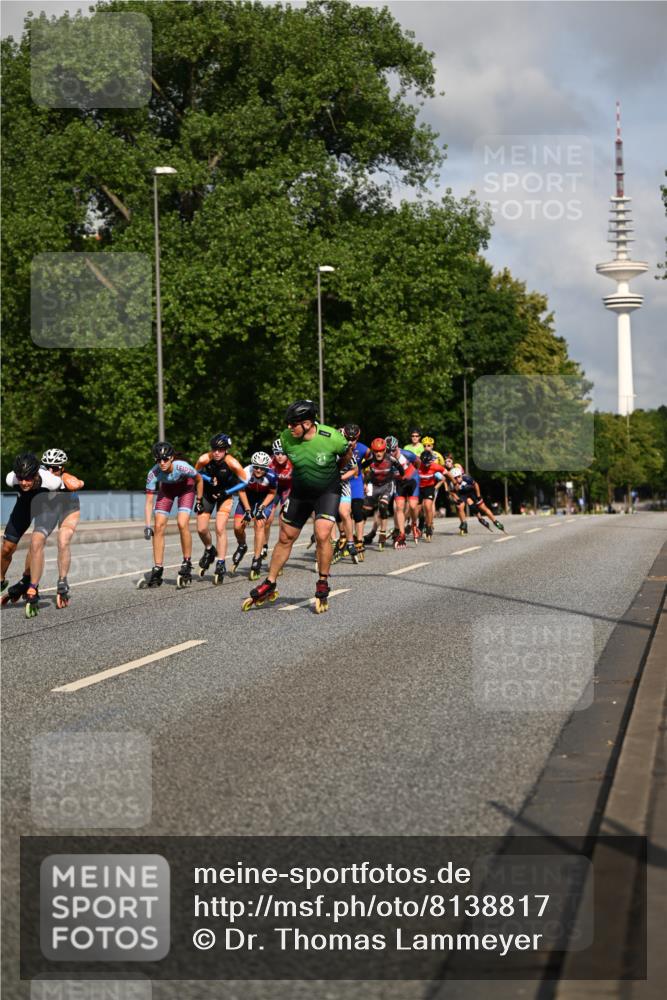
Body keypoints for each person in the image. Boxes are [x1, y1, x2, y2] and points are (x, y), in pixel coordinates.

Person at [242, 400, 353, 614]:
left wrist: (336, 470)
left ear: (308, 423)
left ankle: (322, 581)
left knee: (322, 534)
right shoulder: (286, 438)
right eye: (288, 423)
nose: (289, 428)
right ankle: (271, 582)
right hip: (300, 492)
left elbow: (347, 454)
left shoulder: (332, 438)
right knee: (285, 537)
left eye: (294, 424)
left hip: (327, 491)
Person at [1, 453, 70, 617]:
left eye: (28, 479)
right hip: (24, 507)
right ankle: (1, 580)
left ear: (37, 474)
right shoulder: (11, 478)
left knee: (36, 543)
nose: (24, 483)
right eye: (21, 478)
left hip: (47, 509)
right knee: (7, 548)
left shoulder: (52, 482)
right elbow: (19, 481)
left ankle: (32, 585)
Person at [138, 442, 202, 589]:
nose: (162, 463)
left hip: (186, 488)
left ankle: (187, 562)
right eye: (158, 460)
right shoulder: (153, 473)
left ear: (172, 458)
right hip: (167, 490)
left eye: (165, 459)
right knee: (158, 526)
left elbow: (199, 479)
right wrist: (147, 526)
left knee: (182, 523)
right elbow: (148, 502)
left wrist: (199, 500)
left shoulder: (182, 466)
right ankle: (158, 568)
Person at [194, 433, 248, 585]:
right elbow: (194, 473)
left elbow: (245, 482)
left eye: (221, 449)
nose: (217, 452)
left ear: (226, 450)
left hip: (225, 495)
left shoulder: (232, 463)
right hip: (207, 494)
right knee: (201, 529)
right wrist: (207, 479)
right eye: (214, 449)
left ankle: (221, 562)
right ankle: (210, 549)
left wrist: (228, 492)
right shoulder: (204, 459)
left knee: (219, 528)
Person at [233, 452, 277, 580]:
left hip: (264, 499)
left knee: (259, 524)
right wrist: (247, 510)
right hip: (248, 498)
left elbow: (272, 493)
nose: (258, 470)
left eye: (262, 468)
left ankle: (256, 559)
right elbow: (240, 490)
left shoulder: (272, 476)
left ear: (266, 468)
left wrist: (261, 508)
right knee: (237, 527)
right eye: (256, 467)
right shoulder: (246, 472)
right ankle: (242, 545)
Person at [361, 438, 398, 551]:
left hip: (387, 485)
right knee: (364, 512)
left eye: (381, 451)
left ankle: (382, 532)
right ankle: (359, 537)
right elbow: (361, 471)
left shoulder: (392, 459)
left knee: (382, 507)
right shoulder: (369, 460)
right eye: (376, 451)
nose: (379, 453)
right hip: (373, 485)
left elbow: (402, 470)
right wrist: (364, 484)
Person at [385, 435, 420, 547]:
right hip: (399, 483)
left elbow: (418, 462)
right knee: (399, 507)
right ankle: (402, 534)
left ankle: (414, 524)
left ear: (398, 447)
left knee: (413, 506)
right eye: (388, 451)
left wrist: (413, 472)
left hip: (412, 480)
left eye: (393, 450)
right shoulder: (385, 457)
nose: (391, 453)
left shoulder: (407, 454)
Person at [448, 466, 505, 533]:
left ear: (461, 475)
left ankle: (495, 521)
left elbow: (476, 485)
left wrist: (478, 496)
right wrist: (457, 499)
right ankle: (464, 523)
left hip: (472, 493)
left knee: (482, 507)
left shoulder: (467, 478)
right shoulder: (452, 483)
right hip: (463, 494)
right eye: (455, 478)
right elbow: (452, 492)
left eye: (459, 476)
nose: (457, 479)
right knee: (460, 506)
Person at [266, 439, 293, 557]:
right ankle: (264, 546)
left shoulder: (293, 462)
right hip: (275, 489)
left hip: (288, 489)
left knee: (283, 521)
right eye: (277, 453)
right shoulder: (270, 462)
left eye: (283, 453)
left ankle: (280, 551)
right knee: (267, 519)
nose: (280, 456)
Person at [416, 450, 447, 540]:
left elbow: (443, 478)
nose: (427, 465)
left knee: (428, 506)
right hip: (419, 488)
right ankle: (421, 522)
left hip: (430, 488)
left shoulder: (435, 468)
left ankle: (429, 527)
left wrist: (435, 487)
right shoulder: (418, 465)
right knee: (418, 509)